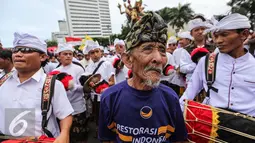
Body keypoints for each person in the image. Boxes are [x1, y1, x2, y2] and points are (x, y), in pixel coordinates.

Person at [98, 11, 187, 143]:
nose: (158, 58)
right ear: (128, 60)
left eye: (162, 50)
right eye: (148, 49)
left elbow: (179, 140)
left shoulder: (170, 98)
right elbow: (107, 139)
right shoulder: (110, 98)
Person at [0, 32, 73, 142]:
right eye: (15, 50)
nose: (18, 54)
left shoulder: (52, 84)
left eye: (26, 51)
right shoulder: (2, 82)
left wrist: (64, 134)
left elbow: (65, 114)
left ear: (42, 57)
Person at [180, 13, 255, 116]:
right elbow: (188, 95)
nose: (218, 41)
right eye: (216, 36)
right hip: (212, 128)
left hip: (248, 128)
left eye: (224, 35)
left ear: (244, 34)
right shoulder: (206, 62)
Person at [53, 43, 86, 143]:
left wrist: (73, 87)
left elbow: (85, 87)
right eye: (65, 54)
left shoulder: (78, 69)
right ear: (59, 56)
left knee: (79, 136)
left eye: (70, 54)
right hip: (61, 110)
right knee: (65, 136)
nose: (68, 56)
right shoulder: (55, 71)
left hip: (77, 107)